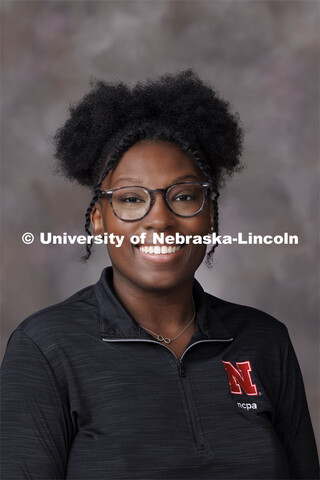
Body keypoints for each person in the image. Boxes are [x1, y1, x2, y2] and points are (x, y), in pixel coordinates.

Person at [1, 70, 319, 480]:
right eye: (132, 199)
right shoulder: (45, 348)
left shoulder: (265, 341)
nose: (160, 220)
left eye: (184, 196)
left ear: (210, 215)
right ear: (99, 220)